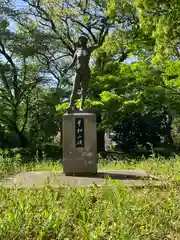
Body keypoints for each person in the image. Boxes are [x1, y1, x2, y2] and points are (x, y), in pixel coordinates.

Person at [65, 35, 99, 112]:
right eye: (81, 40)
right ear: (79, 42)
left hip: (86, 72)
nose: (82, 41)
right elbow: (73, 63)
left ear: (86, 41)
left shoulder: (89, 49)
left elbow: (98, 45)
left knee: (84, 90)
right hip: (78, 72)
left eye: (83, 40)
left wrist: (94, 36)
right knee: (74, 89)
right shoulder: (77, 51)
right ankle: (70, 106)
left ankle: (81, 107)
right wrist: (66, 68)